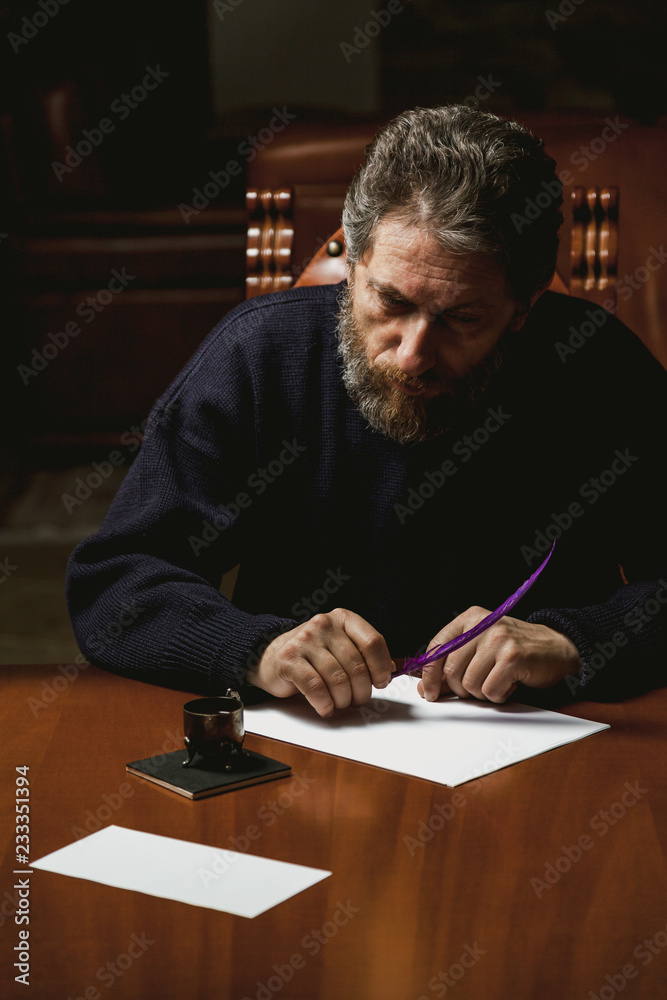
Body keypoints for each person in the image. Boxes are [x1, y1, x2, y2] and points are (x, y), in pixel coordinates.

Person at [66, 105, 666, 717]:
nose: (412, 357)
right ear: (351, 264)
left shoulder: (598, 365)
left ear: (525, 305)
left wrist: (577, 640)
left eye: (464, 318)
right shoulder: (259, 356)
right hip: (316, 748)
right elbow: (114, 583)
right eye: (391, 301)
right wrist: (256, 649)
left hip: (552, 748)